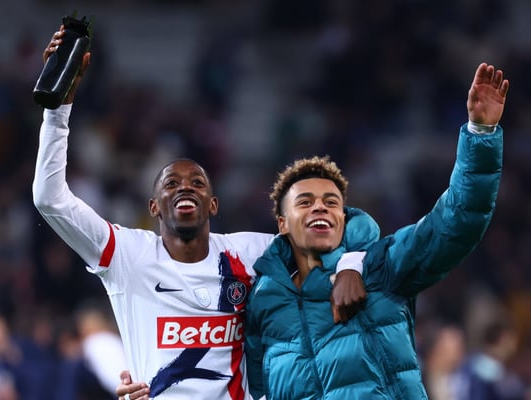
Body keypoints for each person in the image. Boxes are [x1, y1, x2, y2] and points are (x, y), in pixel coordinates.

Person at [32, 25, 377, 400]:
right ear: (154, 206)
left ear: (213, 204)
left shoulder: (250, 253)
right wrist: (57, 111)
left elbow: (339, 228)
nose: (185, 187)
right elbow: (50, 199)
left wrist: (349, 266)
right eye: (171, 183)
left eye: (197, 183)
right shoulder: (127, 255)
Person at [243, 62, 508, 399]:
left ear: (343, 217)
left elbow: (454, 222)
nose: (320, 207)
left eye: (331, 202)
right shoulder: (261, 300)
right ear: (282, 223)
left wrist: (480, 134)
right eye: (305, 202)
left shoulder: (379, 266)